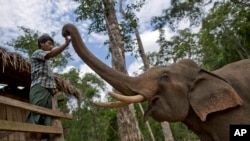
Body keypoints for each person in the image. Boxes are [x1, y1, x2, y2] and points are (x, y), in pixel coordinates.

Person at [26, 34, 71, 140]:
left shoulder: (47, 64)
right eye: (49, 44)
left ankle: (44, 137)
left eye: (52, 45)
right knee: (36, 114)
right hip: (39, 87)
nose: (51, 46)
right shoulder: (37, 53)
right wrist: (65, 45)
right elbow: (51, 54)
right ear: (41, 44)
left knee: (46, 118)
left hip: (48, 92)